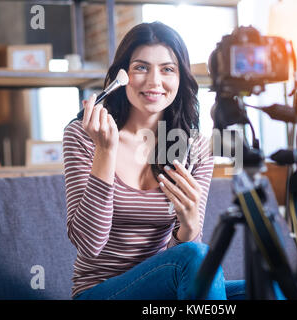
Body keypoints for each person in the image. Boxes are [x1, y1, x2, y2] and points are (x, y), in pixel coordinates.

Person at [63, 21, 245, 300]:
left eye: (167, 69)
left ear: (180, 78)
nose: (154, 82)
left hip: (162, 292)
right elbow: (89, 245)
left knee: (269, 287)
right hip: (99, 292)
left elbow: (182, 260)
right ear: (121, 75)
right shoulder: (85, 135)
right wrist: (105, 150)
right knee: (197, 257)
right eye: (141, 67)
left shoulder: (193, 146)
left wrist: (190, 225)